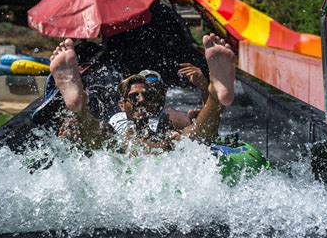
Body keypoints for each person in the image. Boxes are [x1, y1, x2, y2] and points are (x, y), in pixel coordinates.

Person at [50, 33, 236, 154]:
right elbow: (92, 136)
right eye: (133, 97)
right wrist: (72, 125)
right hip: (120, 148)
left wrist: (204, 92)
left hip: (157, 150)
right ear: (122, 105)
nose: (142, 99)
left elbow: (204, 135)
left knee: (186, 140)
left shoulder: (169, 120)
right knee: (105, 138)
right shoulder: (114, 125)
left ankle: (215, 93)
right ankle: (78, 104)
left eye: (149, 95)